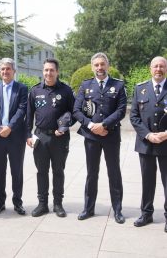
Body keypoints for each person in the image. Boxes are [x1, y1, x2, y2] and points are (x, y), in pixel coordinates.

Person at [73, 52, 127, 224]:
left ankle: (117, 210)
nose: (99, 68)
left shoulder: (117, 85)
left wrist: (104, 125)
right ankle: (88, 208)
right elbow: (77, 110)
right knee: (91, 173)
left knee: (114, 173)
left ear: (107, 66)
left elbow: (121, 110)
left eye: (102, 64)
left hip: (110, 136)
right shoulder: (86, 85)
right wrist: (91, 126)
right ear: (92, 67)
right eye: (96, 65)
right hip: (91, 137)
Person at [26, 58, 75, 217]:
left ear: (57, 72)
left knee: (58, 171)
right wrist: (28, 135)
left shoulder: (66, 91)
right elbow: (29, 116)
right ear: (43, 72)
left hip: (60, 138)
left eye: (52, 70)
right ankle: (42, 204)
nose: (48, 73)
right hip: (40, 136)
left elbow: (74, 113)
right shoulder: (35, 91)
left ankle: (58, 204)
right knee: (41, 171)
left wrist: (65, 126)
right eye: (46, 70)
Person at [130, 56, 167, 233]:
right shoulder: (140, 88)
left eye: (161, 66)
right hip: (146, 143)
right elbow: (134, 117)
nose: (158, 69)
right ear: (150, 68)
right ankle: (146, 213)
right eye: (155, 66)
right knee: (147, 180)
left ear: (165, 68)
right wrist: (148, 135)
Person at [0, 58, 28, 215]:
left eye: (8, 69)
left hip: (15, 136)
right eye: (3, 69)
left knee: (16, 171)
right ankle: (0, 203)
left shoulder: (22, 88)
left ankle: (18, 202)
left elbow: (22, 109)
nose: (5, 71)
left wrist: (10, 127)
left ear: (14, 71)